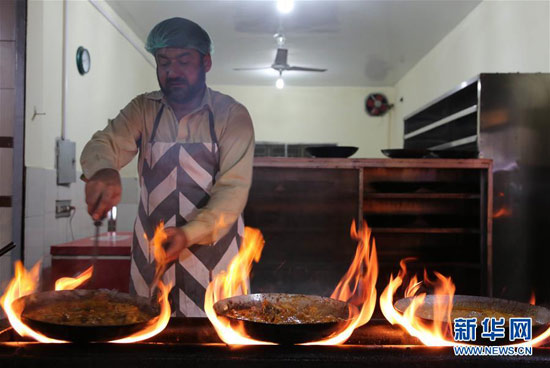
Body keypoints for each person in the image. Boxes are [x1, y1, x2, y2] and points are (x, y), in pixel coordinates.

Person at [80, 17, 255, 317]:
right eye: (163, 62)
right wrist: (104, 170)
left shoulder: (232, 116)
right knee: (149, 347)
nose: (172, 71)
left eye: (183, 61)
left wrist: (189, 234)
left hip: (218, 265)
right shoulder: (143, 110)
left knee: (219, 352)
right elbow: (103, 144)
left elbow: (232, 191)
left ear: (206, 62)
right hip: (153, 262)